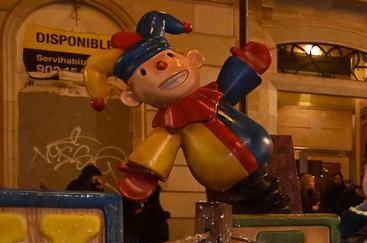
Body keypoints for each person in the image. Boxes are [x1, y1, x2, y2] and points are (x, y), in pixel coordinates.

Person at [82, 11, 286, 212]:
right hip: (220, 173)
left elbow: (231, 84)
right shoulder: (170, 126)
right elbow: (157, 150)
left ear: (194, 59)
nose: (162, 66)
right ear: (132, 98)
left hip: (256, 146)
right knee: (257, 208)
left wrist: (246, 64)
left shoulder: (212, 96)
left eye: (169, 56)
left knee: (264, 205)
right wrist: (143, 174)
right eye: (144, 72)